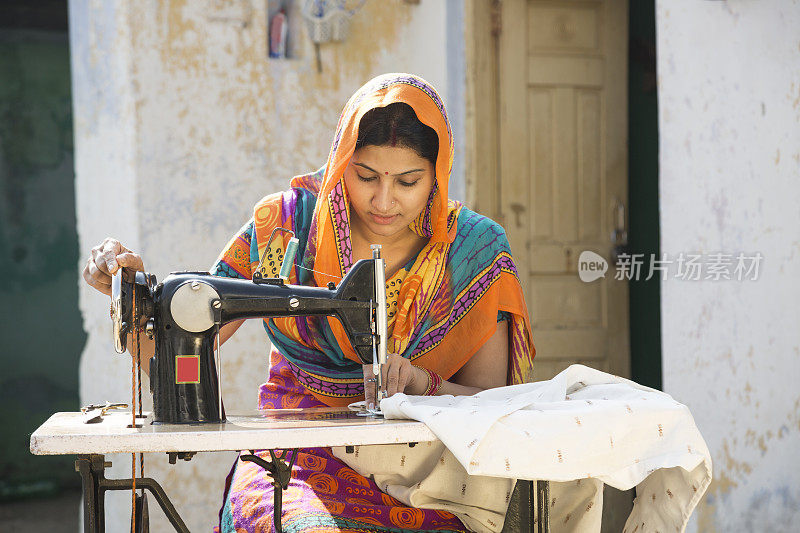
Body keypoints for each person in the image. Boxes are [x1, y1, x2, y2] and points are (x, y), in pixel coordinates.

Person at [82, 73, 534, 532]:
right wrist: (137, 303)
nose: (383, 200)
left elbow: (491, 403)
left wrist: (420, 382)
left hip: (422, 464)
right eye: (366, 176)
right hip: (296, 449)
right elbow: (175, 353)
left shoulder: (473, 250)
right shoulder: (283, 226)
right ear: (342, 162)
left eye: (407, 182)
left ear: (436, 175)